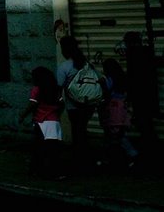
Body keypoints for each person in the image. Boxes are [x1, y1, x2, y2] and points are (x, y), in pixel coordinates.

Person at [56, 35, 96, 170]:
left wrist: (58, 104)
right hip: (88, 104)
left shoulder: (64, 67)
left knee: (77, 132)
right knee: (82, 131)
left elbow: (58, 88)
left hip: (73, 106)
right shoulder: (85, 64)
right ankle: (87, 159)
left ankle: (80, 161)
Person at [19, 66, 65, 179]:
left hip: (41, 121)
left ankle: (37, 171)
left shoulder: (37, 89)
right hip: (54, 122)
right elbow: (61, 104)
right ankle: (55, 172)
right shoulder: (56, 89)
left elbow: (32, 104)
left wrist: (23, 116)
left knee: (38, 148)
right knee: (53, 149)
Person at [98, 57, 139, 169]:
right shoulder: (122, 78)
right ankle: (108, 157)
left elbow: (106, 94)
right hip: (122, 108)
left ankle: (131, 154)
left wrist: (102, 85)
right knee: (117, 133)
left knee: (114, 134)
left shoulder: (109, 79)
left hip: (113, 108)